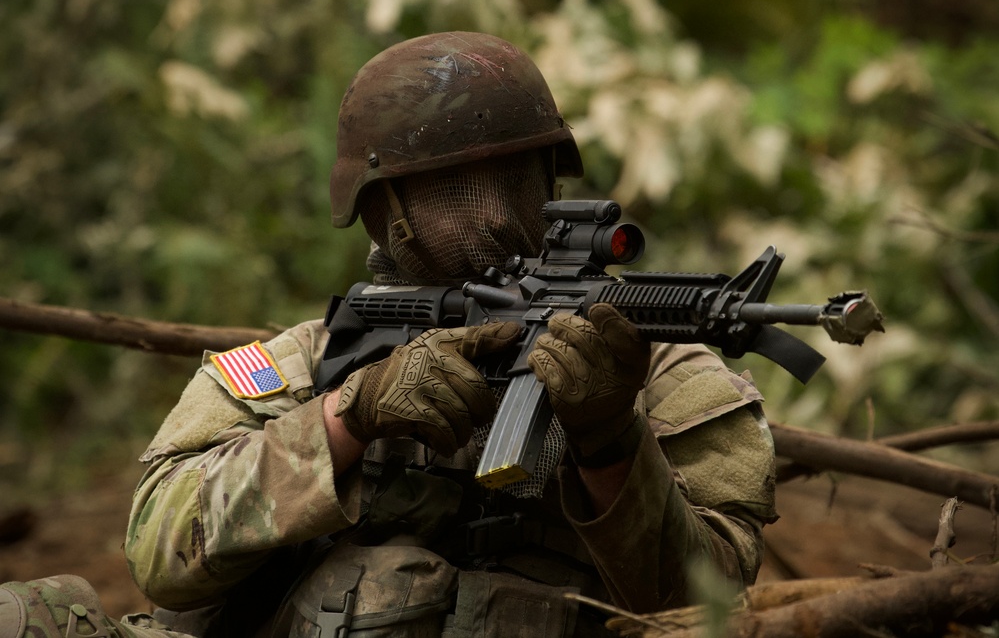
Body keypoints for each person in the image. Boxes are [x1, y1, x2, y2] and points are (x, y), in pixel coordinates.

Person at [0, 32, 776, 638]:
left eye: (514, 181)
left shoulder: (662, 370)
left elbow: (710, 611)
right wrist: (347, 418)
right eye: (450, 192)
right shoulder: (301, 363)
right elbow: (160, 555)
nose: (493, 218)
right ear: (384, 210)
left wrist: (609, 444)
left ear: (552, 184)